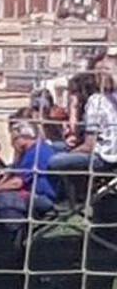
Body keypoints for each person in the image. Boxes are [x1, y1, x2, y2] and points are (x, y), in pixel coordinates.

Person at [0, 121, 59, 263]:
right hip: (31, 195)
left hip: (43, 198)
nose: (13, 144)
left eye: (14, 139)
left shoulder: (36, 152)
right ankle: (3, 245)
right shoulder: (30, 152)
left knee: (2, 198)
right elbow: (14, 174)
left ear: (23, 137)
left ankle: (13, 243)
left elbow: (18, 182)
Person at [48, 70, 117, 204]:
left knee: (54, 160)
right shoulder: (108, 99)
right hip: (104, 150)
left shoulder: (94, 102)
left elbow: (89, 146)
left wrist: (71, 151)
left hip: (105, 157)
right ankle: (76, 192)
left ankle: (68, 196)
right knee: (53, 147)